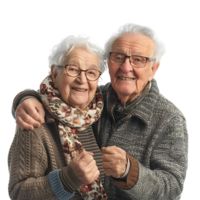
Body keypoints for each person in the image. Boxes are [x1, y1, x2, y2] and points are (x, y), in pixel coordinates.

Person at [10, 23, 189, 200]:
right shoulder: (92, 101)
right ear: (108, 64)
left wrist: (130, 172)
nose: (126, 68)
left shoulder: (169, 119)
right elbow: (57, 94)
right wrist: (25, 98)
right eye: (118, 57)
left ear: (154, 69)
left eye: (138, 59)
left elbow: (172, 187)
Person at [8, 33, 109, 200]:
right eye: (73, 69)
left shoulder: (101, 117)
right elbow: (18, 193)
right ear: (54, 73)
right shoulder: (35, 121)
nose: (82, 79)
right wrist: (68, 178)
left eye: (91, 72)